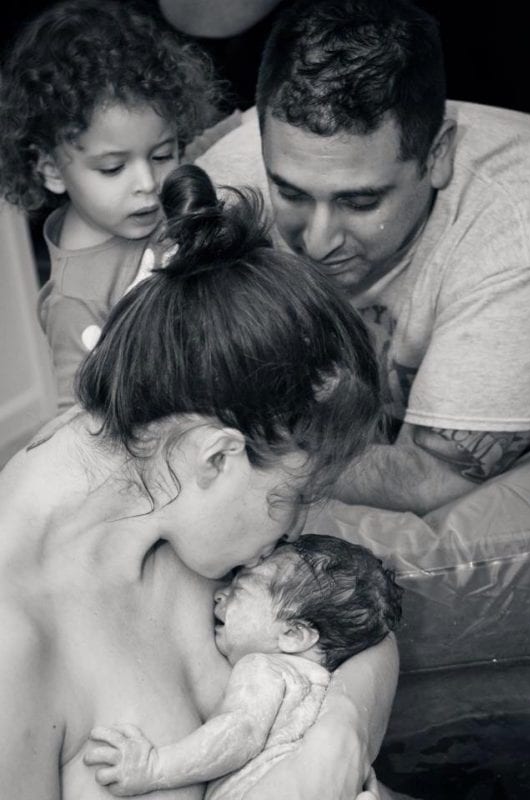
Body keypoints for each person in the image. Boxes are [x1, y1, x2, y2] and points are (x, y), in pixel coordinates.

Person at [0, 163, 399, 800]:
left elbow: (359, 623)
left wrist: (337, 739)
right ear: (217, 458)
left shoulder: (176, 481)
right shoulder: (13, 642)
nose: (297, 527)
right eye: (296, 497)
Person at [196, 0, 530, 516]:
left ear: (438, 154)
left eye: (359, 202)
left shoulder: (516, 234)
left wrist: (238, 450)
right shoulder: (224, 182)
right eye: (291, 193)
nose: (317, 242)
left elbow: (426, 479)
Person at [0, 0, 218, 412]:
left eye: (162, 154)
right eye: (113, 168)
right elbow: (77, 418)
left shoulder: (152, 191)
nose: (148, 184)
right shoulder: (74, 301)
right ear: (52, 171)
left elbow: (211, 144)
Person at [83, 534, 403, 797]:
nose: (220, 595)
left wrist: (155, 768)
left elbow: (239, 733)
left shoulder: (263, 669)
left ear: (293, 635)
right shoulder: (323, 689)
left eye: (240, 589)